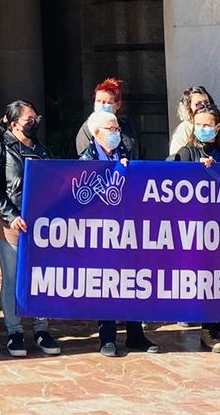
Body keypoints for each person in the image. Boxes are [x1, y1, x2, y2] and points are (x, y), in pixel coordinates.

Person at [169, 99, 220, 353]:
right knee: (204, 277)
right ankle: (206, 331)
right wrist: (194, 171)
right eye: (199, 124)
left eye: (209, 125)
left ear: (217, 128)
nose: (204, 128)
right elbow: (167, 179)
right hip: (196, 228)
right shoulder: (186, 152)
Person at [0, 100, 59, 358]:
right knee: (13, 278)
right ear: (14, 125)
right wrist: (11, 215)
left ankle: (41, 328)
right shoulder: (1, 149)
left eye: (36, 118)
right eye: (29, 120)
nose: (34, 123)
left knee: (40, 277)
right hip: (9, 226)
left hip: (40, 226)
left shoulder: (43, 151)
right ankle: (14, 331)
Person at [80, 106, 159, 357]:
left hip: (129, 230)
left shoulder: (126, 153)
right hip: (101, 232)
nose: (116, 133)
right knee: (106, 284)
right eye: (110, 129)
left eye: (117, 129)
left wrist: (130, 171)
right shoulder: (85, 160)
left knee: (132, 281)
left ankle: (136, 335)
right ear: (96, 133)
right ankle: (107, 338)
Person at [75, 77, 125, 157]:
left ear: (118, 105)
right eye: (98, 101)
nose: (101, 105)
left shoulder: (127, 127)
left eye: (106, 102)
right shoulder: (88, 128)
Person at [166, 85, 213, 158]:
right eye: (198, 104)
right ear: (188, 107)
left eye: (206, 102)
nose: (203, 106)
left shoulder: (217, 127)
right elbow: (176, 161)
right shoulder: (183, 130)